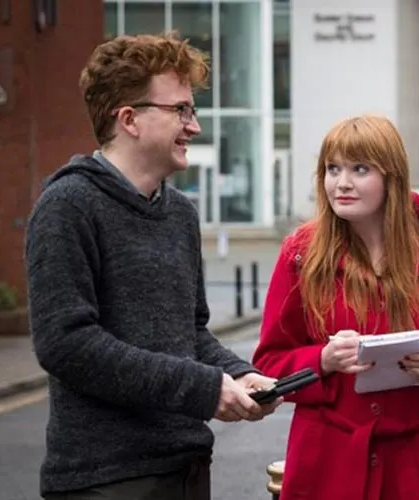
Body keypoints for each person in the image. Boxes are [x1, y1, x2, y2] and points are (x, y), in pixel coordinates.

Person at [25, 33, 281, 500]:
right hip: (107, 481)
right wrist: (202, 388)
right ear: (129, 119)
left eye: (192, 110)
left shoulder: (180, 213)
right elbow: (66, 344)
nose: (194, 127)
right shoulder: (67, 205)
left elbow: (192, 334)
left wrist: (240, 373)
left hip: (187, 470)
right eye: (180, 110)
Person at [251, 114, 419, 500]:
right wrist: (323, 359)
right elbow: (269, 363)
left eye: (360, 169)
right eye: (332, 168)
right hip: (329, 461)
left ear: (392, 176)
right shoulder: (301, 253)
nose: (341, 183)